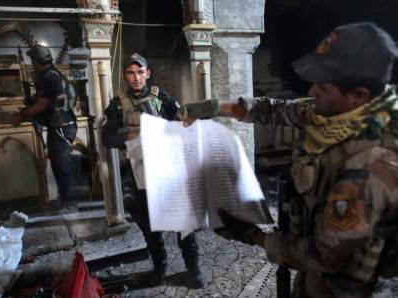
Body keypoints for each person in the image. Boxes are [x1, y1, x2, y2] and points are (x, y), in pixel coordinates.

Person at [179, 22, 398, 297]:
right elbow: (273, 110)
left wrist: (252, 235)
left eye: (324, 86)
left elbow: (323, 255)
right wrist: (209, 108)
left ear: (359, 95)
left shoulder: (370, 166)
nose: (313, 91)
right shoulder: (336, 115)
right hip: (313, 278)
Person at [102, 53, 205, 288]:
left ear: (147, 73)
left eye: (140, 72)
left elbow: (182, 124)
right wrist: (127, 135)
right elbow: (107, 137)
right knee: (148, 224)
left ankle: (194, 270)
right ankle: (159, 268)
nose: (136, 78)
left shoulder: (163, 99)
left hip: (169, 170)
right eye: (131, 73)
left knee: (183, 221)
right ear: (124, 76)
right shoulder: (117, 105)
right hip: (140, 172)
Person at [10, 44, 78, 210]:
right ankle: (65, 198)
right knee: (57, 163)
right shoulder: (53, 74)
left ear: (35, 60)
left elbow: (43, 104)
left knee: (62, 165)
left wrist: (22, 115)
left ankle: (70, 202)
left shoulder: (47, 77)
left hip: (61, 125)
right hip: (61, 124)